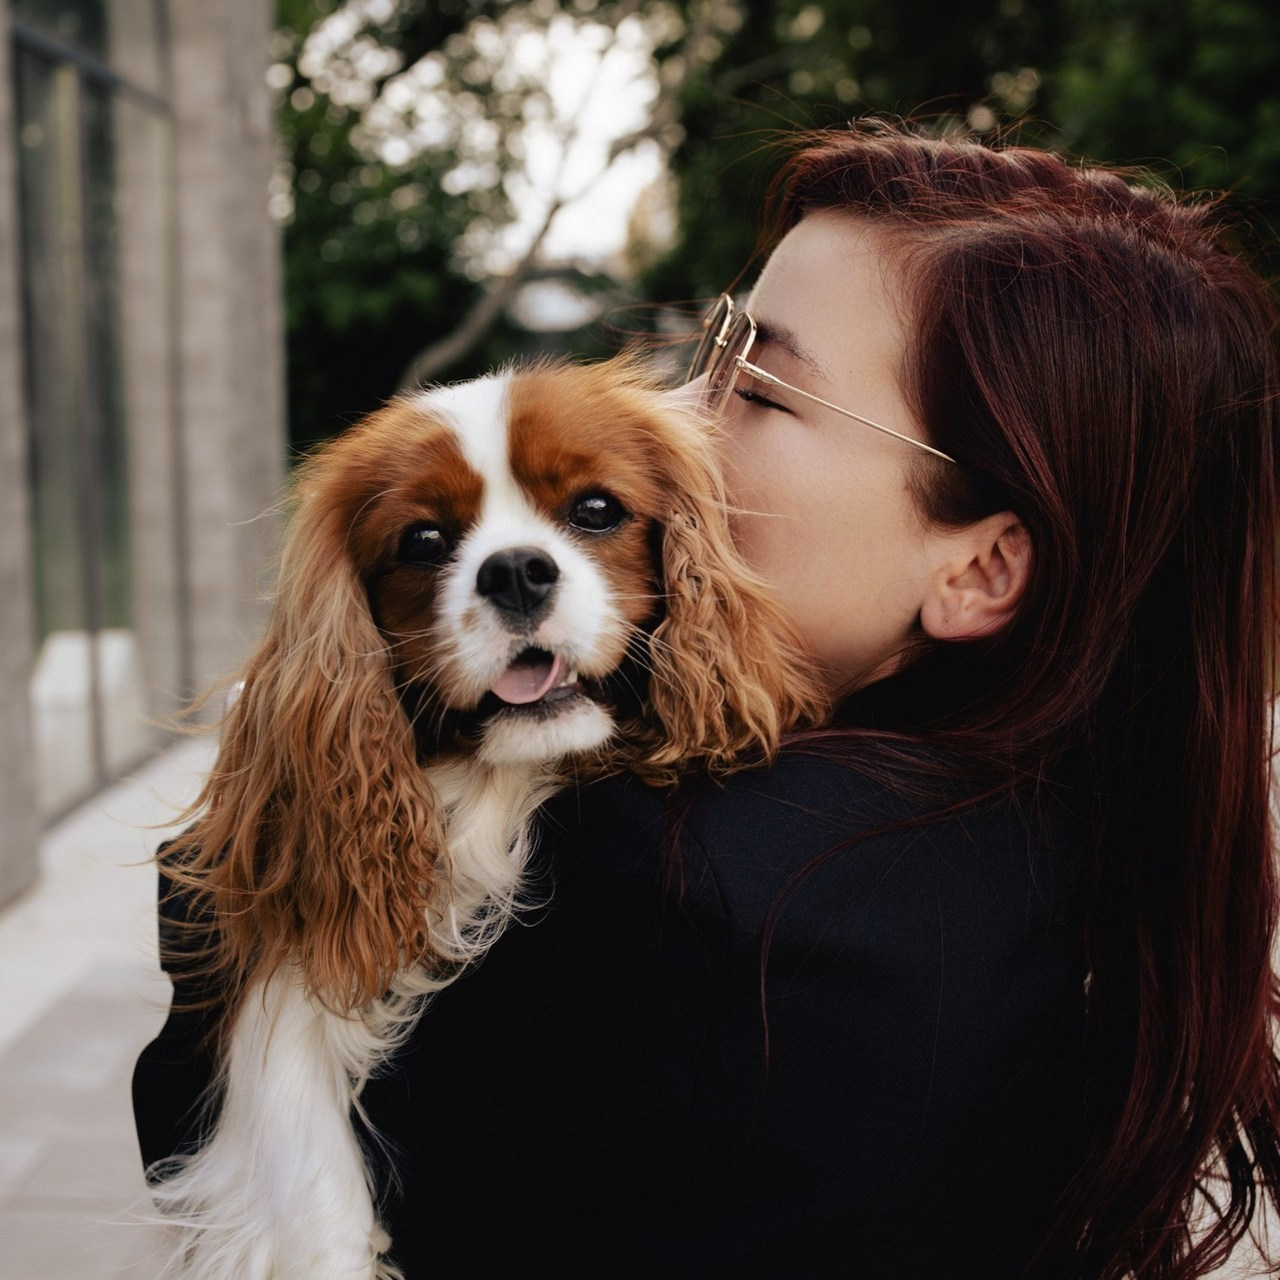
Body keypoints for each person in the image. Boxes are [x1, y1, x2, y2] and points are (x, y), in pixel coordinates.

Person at [133, 120, 1280, 1278]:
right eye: (716, 342)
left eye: (763, 386)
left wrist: (241, 853)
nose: (683, 407)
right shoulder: (1079, 815)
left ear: (977, 566)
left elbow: (209, 1094)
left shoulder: (670, 885)